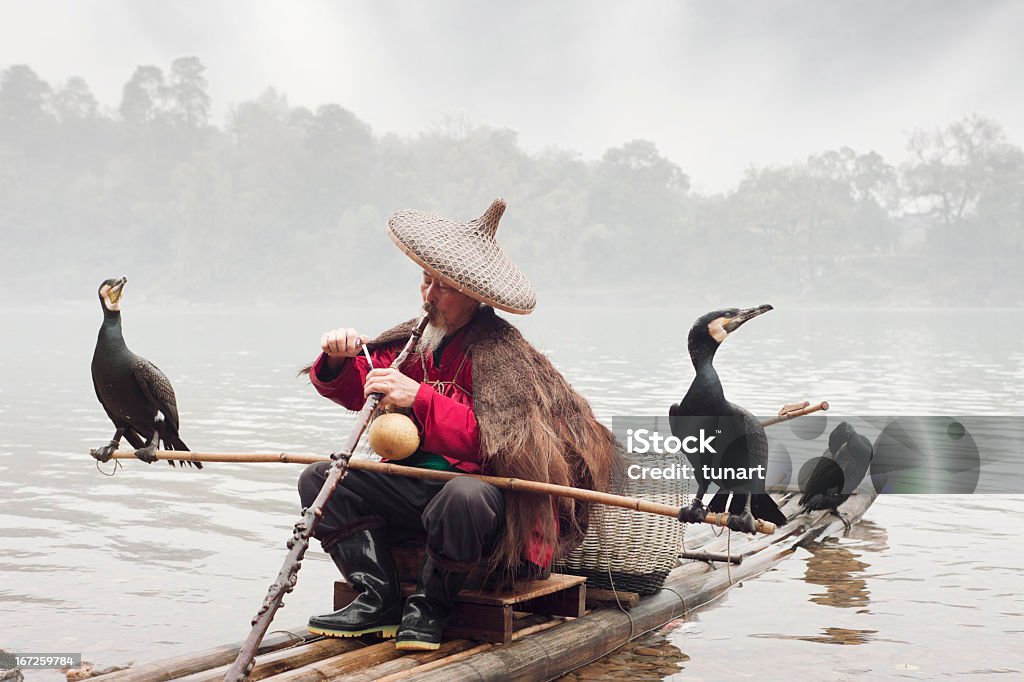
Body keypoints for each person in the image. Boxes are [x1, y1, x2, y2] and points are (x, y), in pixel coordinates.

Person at [298, 198, 617, 651]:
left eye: (444, 287)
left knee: (462, 494)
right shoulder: (416, 337)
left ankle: (429, 608)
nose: (429, 296)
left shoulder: (506, 355)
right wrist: (335, 359)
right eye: (426, 280)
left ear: (475, 295)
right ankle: (378, 598)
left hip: (493, 508)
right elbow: (357, 390)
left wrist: (420, 399)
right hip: (419, 490)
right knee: (322, 478)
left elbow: (506, 447)